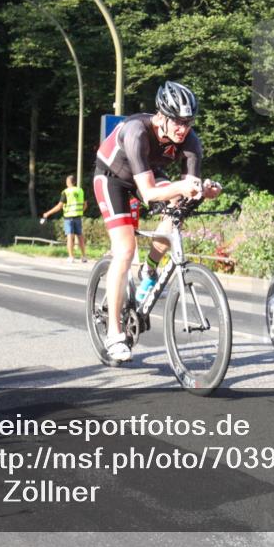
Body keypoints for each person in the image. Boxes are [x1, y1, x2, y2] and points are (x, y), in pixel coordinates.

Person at [92, 81, 222, 362]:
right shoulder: (136, 130)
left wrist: (204, 190)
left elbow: (190, 187)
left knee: (179, 207)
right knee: (125, 249)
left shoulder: (190, 141)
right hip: (112, 178)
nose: (183, 128)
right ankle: (114, 332)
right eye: (177, 122)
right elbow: (150, 193)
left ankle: (148, 271)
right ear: (161, 116)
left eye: (188, 122)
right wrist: (183, 187)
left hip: (147, 174)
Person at [41, 175, 88, 263]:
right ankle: (84, 256)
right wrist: (80, 211)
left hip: (69, 217)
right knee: (80, 236)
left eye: (66, 181)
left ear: (68, 182)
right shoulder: (80, 190)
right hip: (78, 217)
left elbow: (59, 206)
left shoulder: (66, 192)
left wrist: (48, 213)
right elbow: (85, 205)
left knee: (70, 236)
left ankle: (71, 257)